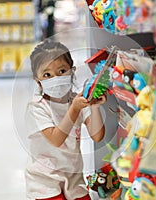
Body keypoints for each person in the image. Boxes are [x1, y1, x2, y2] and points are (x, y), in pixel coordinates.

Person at [25, 39, 106, 200]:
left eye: (62, 71)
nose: (55, 78)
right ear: (37, 80)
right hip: (45, 179)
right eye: (47, 75)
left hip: (73, 176)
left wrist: (94, 107)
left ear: (72, 71)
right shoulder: (37, 107)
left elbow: (97, 136)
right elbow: (56, 139)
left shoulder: (76, 100)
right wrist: (75, 109)